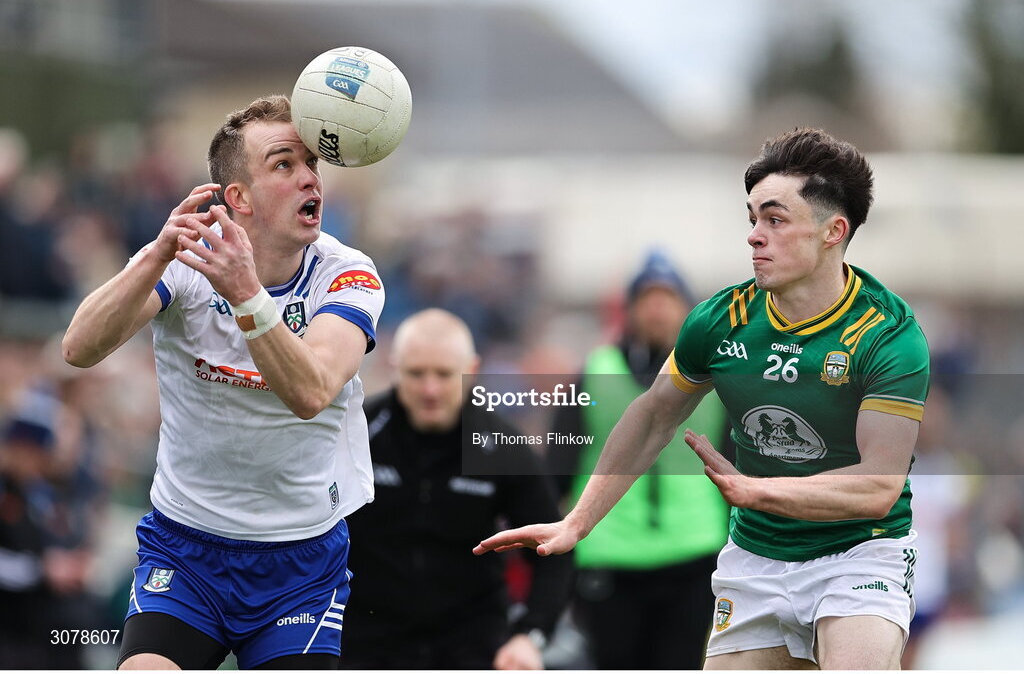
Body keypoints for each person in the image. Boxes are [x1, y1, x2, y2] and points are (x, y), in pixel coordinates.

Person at [475, 128, 930, 670]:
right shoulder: (720, 321)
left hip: (860, 553)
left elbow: (877, 488)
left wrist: (759, 490)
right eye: (753, 219)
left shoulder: (890, 336)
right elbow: (650, 418)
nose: (755, 236)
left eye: (775, 219)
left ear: (834, 231)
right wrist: (577, 522)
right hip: (757, 557)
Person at [61, 95, 385, 670]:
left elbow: (312, 391)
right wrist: (155, 256)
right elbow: (79, 348)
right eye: (283, 164)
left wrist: (245, 294)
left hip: (300, 563)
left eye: (312, 162)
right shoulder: (187, 259)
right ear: (238, 198)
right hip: (185, 550)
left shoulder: (349, 274)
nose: (309, 176)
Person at [341, 309, 572, 670]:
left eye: (444, 375)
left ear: (472, 370)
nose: (430, 389)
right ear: (394, 367)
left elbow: (554, 551)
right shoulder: (357, 435)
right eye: (417, 374)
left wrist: (529, 636)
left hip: (473, 646)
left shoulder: (503, 446)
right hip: (366, 644)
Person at [549, 250, 729, 669]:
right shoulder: (594, 372)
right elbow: (558, 465)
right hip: (611, 554)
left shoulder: (717, 378)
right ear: (629, 310)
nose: (657, 310)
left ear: (686, 309)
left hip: (694, 550)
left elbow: (741, 463)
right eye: (647, 299)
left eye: (668, 298)